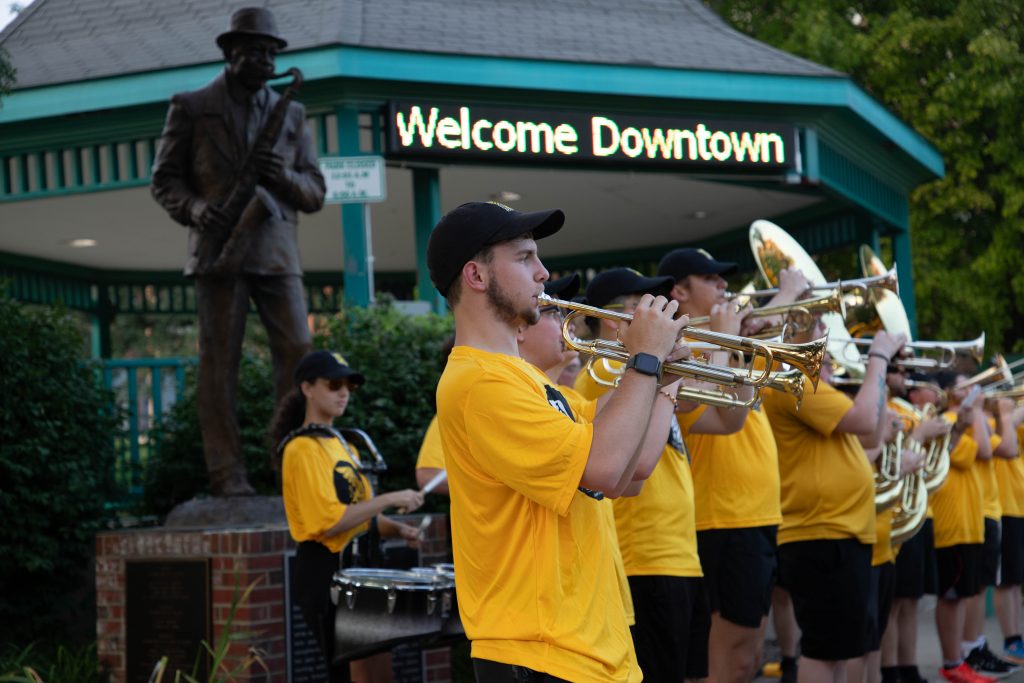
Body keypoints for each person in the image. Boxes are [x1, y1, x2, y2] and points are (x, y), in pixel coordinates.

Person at [427, 201, 690, 682]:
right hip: (540, 653)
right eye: (525, 257)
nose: (544, 273)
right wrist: (645, 362)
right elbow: (606, 466)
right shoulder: (480, 383)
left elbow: (633, 471)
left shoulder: (532, 383)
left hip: (586, 647)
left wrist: (663, 374)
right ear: (477, 276)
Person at [152, 7, 327, 495]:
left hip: (275, 251)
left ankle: (294, 467)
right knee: (217, 366)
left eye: (272, 53)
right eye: (255, 51)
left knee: (299, 354)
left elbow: (314, 190)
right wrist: (196, 207)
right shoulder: (190, 106)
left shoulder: (291, 113)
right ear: (230, 52)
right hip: (218, 249)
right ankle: (226, 473)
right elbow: (164, 179)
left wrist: (282, 177)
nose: (266, 62)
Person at [575, 266, 752, 683]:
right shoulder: (604, 375)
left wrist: (740, 348)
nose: (659, 319)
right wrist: (666, 381)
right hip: (644, 558)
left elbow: (729, 420)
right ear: (613, 319)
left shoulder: (643, 377)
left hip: (680, 557)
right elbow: (638, 468)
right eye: (643, 309)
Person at [655, 248, 810, 683]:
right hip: (719, 517)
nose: (725, 286)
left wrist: (772, 326)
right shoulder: (683, 345)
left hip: (756, 513)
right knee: (725, 658)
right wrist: (787, 295)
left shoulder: (727, 340)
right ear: (679, 291)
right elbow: (718, 418)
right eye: (711, 278)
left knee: (749, 655)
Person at [762, 309, 906, 683]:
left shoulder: (807, 384)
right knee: (825, 652)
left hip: (838, 532)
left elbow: (872, 436)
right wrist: (878, 359)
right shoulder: (788, 379)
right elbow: (863, 421)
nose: (826, 367)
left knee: (840, 651)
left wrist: (882, 377)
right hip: (821, 532)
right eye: (820, 356)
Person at [269, 350, 424, 682]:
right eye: (334, 384)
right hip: (326, 569)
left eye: (349, 386)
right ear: (307, 388)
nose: (344, 392)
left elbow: (359, 517)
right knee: (351, 671)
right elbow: (329, 522)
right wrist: (388, 498)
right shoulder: (300, 449)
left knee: (378, 668)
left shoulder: (345, 446)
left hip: (360, 566)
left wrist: (397, 530)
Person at [929, 371, 995, 683]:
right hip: (951, 521)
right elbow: (982, 450)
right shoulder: (946, 422)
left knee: (963, 595)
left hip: (968, 520)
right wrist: (976, 412)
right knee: (952, 596)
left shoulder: (962, 419)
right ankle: (952, 661)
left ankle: (959, 660)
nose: (971, 388)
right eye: (963, 385)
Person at [961, 396, 1019, 677]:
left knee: (995, 582)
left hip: (997, 508)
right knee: (984, 584)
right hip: (987, 508)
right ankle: (972, 648)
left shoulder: (986, 421)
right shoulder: (979, 421)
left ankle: (976, 645)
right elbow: (1005, 447)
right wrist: (1008, 414)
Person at [995, 403, 1024, 664]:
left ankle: (1017, 638)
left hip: (1018, 505)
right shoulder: (997, 420)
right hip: (1004, 505)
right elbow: (1009, 429)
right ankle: (1011, 641)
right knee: (1006, 580)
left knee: (1015, 580)